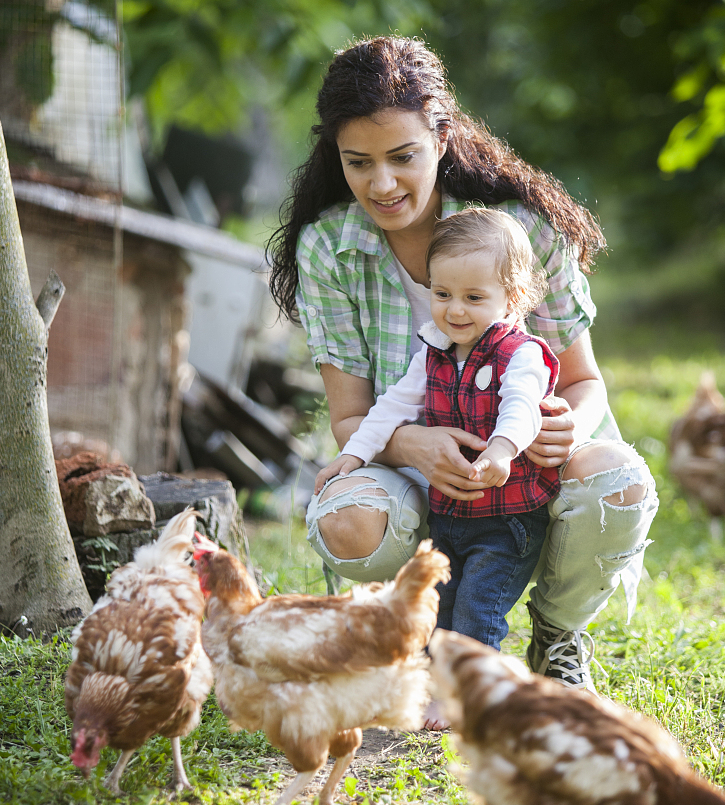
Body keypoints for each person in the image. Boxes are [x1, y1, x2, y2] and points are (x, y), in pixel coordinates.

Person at [267, 35, 658, 717]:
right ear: (335, 155)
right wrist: (414, 445)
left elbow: (584, 381)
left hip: (525, 462)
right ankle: (417, 632)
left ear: (442, 139)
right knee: (348, 522)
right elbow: (351, 417)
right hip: (414, 468)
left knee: (618, 484)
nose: (382, 184)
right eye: (358, 163)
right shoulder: (329, 247)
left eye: (402, 157)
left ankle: (557, 637)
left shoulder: (525, 230)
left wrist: (565, 425)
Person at [314, 207, 561, 654]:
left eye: (473, 297)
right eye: (443, 294)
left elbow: (521, 407)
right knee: (439, 602)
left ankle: (470, 696)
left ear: (513, 297)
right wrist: (353, 455)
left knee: (477, 609)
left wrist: (502, 450)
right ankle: (439, 682)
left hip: (507, 517)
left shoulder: (519, 354)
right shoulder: (433, 351)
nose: (455, 309)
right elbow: (391, 408)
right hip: (449, 513)